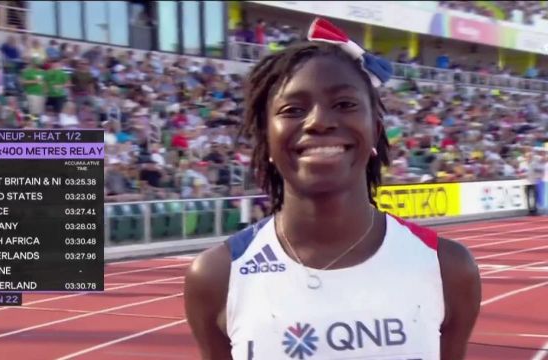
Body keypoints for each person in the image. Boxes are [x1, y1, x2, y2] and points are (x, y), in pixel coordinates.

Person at [184, 18, 481, 360]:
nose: (319, 121)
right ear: (266, 139)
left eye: (344, 104)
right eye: (293, 110)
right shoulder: (218, 275)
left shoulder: (448, 267)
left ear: (375, 130)